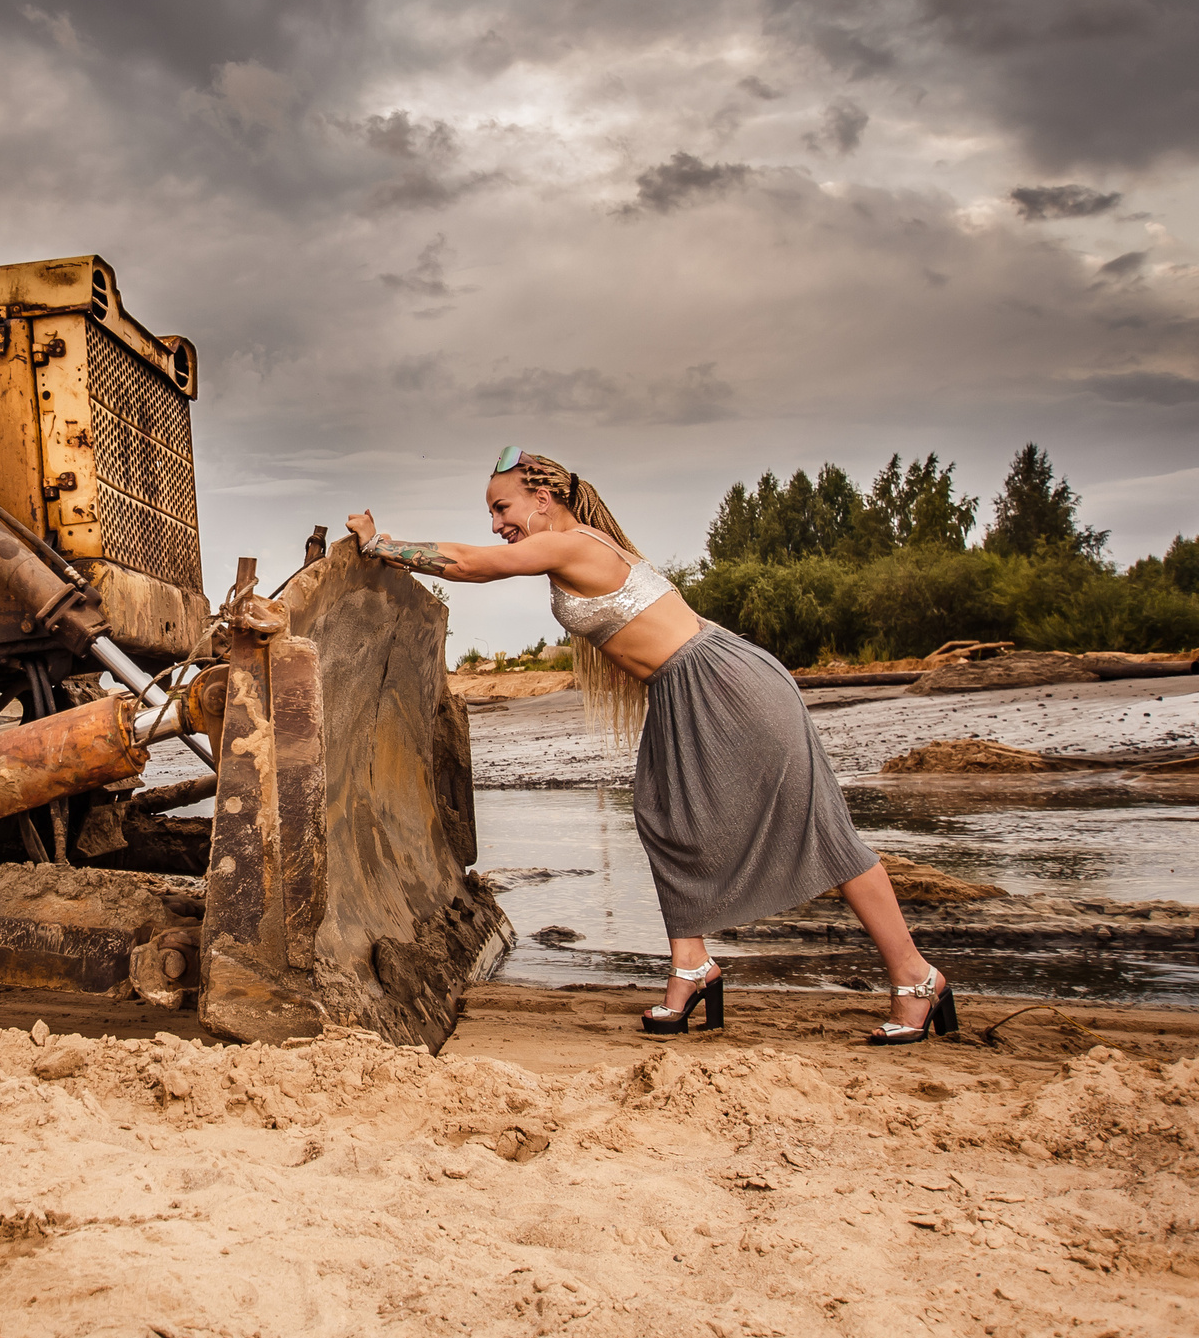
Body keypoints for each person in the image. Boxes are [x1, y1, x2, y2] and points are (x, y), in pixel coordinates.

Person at [346, 447, 955, 1045]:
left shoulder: (573, 542)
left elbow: (471, 563)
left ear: (543, 496)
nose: (497, 522)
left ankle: (916, 977)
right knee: (663, 816)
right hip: (682, 689)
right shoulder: (572, 545)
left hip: (724, 684)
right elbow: (482, 554)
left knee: (820, 827)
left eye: (502, 507)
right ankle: (691, 965)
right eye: (491, 513)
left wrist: (383, 545)